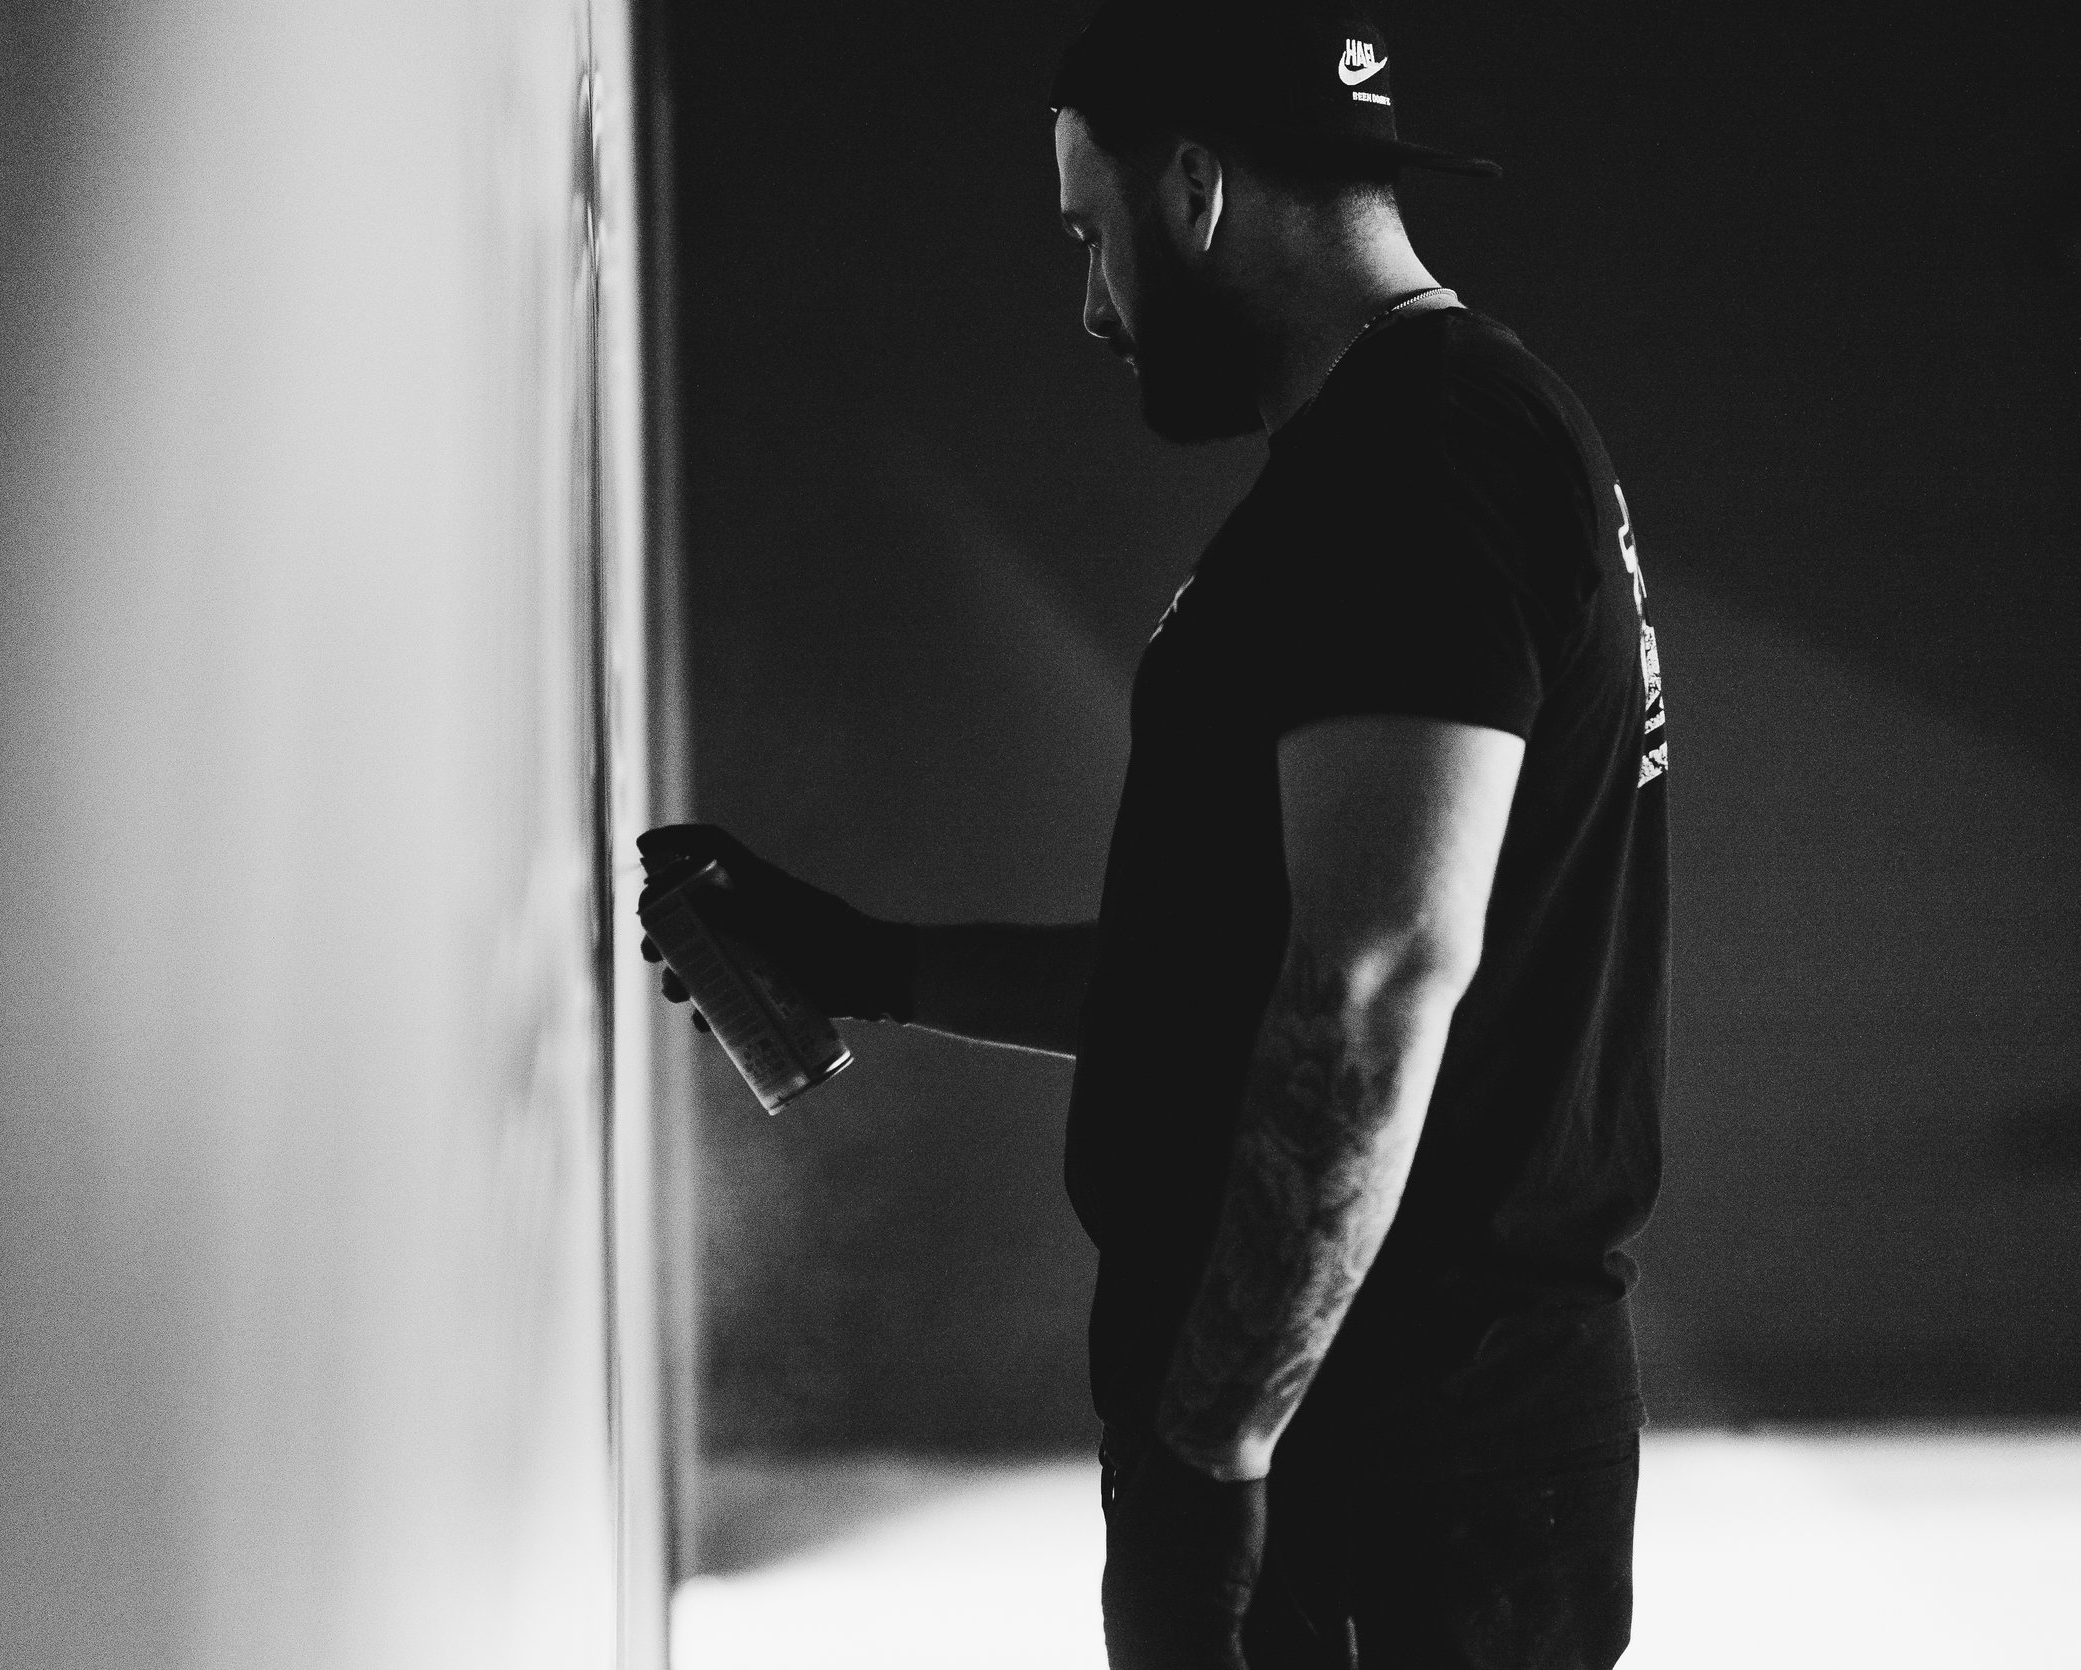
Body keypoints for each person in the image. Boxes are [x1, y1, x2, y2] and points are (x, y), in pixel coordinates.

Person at [640, 2, 1667, 1664]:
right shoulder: (1420, 445)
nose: (1094, 305)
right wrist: (868, 963)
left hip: (1383, 1478)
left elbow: (1373, 979)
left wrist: (1214, 1453)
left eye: (1090, 235)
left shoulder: (1418, 458)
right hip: (1376, 1466)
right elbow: (1247, 975)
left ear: (1194, 189)